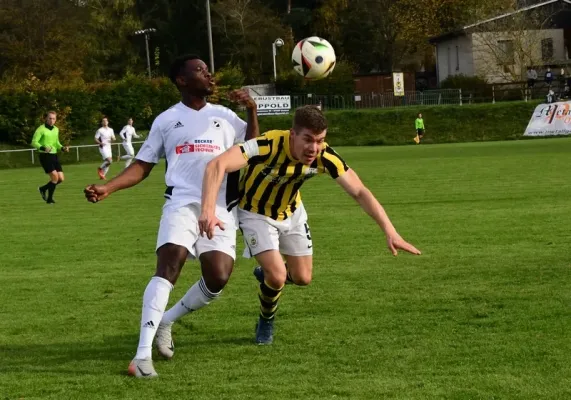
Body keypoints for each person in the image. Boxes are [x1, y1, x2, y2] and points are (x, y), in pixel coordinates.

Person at [84, 54, 258, 378]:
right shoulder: (166, 120)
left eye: (207, 69)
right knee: (170, 263)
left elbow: (251, 151)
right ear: (181, 79)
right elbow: (142, 166)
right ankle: (141, 356)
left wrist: (251, 110)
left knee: (218, 276)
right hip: (180, 202)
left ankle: (167, 319)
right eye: (201, 70)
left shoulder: (225, 116)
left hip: (219, 207)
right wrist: (110, 187)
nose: (209, 74)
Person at [198, 105, 421, 345]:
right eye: (308, 140)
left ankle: (273, 275)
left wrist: (390, 230)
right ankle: (266, 319)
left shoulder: (324, 155)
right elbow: (216, 165)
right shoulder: (268, 144)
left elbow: (358, 190)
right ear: (292, 134)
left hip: (292, 213)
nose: (313, 148)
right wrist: (208, 210)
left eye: (320, 140)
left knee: (303, 278)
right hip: (255, 214)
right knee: (278, 276)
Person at [31, 111, 69, 204]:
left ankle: (43, 189)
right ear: (46, 119)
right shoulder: (41, 129)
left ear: (56, 120)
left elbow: (57, 143)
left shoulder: (56, 129)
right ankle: (49, 199)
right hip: (45, 156)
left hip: (54, 156)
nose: (52, 120)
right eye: (50, 118)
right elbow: (33, 142)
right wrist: (43, 148)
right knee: (55, 177)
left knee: (61, 179)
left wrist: (62, 148)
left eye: (54, 118)